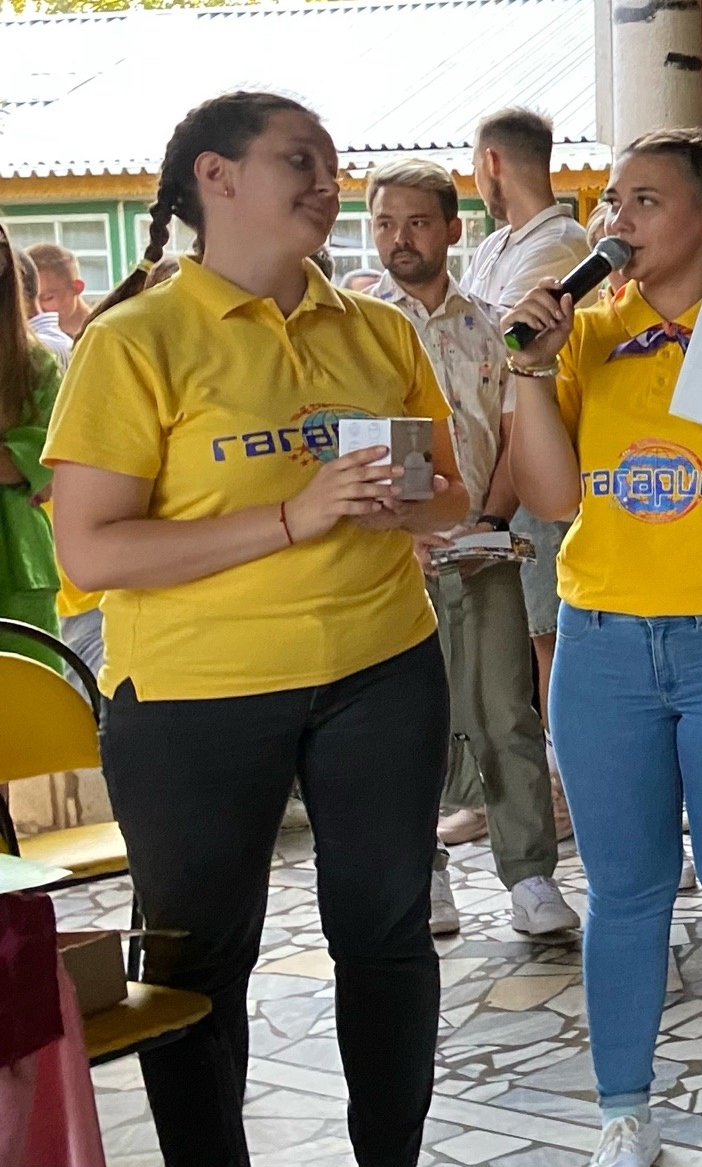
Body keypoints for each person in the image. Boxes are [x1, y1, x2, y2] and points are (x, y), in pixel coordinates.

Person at [47, 91, 468, 1167]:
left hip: (382, 669)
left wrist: (402, 506)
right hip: (196, 695)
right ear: (216, 176)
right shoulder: (135, 340)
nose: (329, 183)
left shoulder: (376, 328)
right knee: (198, 961)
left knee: (386, 936)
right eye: (300, 160)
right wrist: (292, 517)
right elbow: (90, 552)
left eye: (332, 164)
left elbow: (452, 498)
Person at [501, 129, 702, 1167]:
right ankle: (623, 1114)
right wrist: (530, 369)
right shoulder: (588, 335)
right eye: (612, 200)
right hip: (604, 646)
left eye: (643, 200)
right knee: (624, 891)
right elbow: (550, 496)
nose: (617, 219)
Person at [366, 159, 575, 940]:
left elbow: (517, 434)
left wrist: (486, 520)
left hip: (485, 546)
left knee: (505, 712)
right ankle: (423, 873)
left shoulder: (492, 325)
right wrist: (406, 530)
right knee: (405, 723)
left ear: (454, 229)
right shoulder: (360, 328)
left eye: (418, 222)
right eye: (385, 223)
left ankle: (531, 876)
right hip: (393, 561)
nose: (401, 238)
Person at [458, 108, 591, 811]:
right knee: (519, 633)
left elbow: (497, 346)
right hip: (492, 450)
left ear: (490, 163)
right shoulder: (497, 246)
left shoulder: (562, 244)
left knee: (549, 636)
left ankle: (567, 786)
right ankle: (523, 783)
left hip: (536, 446)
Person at [0, 236, 63, 646]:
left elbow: (49, 463)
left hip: (20, 563)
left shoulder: (35, 363)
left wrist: (18, 463)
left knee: (32, 683)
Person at [25, 243, 92, 341]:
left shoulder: (101, 333)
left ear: (77, 287)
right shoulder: (26, 338)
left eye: (47, 298)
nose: (35, 309)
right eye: (27, 300)